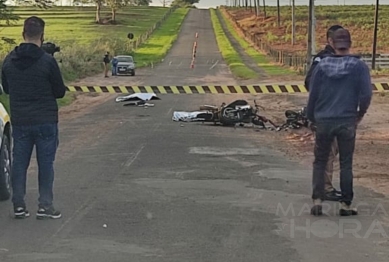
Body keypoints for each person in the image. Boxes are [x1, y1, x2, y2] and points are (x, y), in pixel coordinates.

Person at [1, 16, 66, 219]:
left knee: (19, 163)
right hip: (45, 119)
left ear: (23, 34)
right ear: (42, 35)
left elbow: (7, 89)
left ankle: (19, 205)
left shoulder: (8, 61)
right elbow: (59, 92)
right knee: (46, 164)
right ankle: (45, 205)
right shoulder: (48, 61)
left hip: (21, 120)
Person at [306, 28, 372, 216]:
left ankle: (317, 200)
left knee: (320, 161)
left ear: (332, 44)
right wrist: (360, 114)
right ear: (349, 44)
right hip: (347, 120)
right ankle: (346, 204)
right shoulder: (359, 66)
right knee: (346, 162)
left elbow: (313, 95)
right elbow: (366, 94)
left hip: (324, 120)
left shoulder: (321, 66)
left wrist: (311, 117)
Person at [304, 25, 344, 202]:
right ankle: (324, 189)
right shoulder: (325, 59)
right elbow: (310, 83)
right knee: (327, 152)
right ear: (329, 40)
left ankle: (322, 188)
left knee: (329, 152)